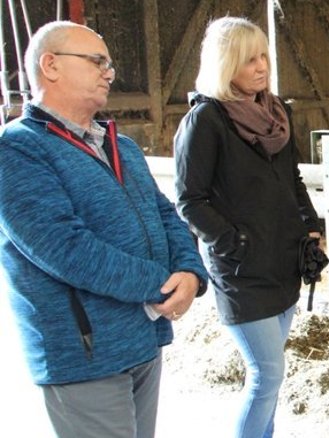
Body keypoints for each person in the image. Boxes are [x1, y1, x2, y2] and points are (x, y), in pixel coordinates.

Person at [0, 21, 207, 438]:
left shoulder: (122, 146)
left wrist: (190, 271)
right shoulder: (19, 149)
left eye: (108, 64)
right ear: (51, 65)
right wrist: (161, 283)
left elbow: (165, 214)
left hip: (142, 336)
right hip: (85, 351)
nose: (109, 73)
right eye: (97, 61)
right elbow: (66, 249)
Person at [173, 17, 323, 438]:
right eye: (248, 59)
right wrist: (233, 241)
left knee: (271, 377)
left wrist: (310, 227)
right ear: (224, 65)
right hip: (241, 271)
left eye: (264, 56)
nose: (262, 67)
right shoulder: (206, 120)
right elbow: (190, 200)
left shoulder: (277, 114)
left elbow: (291, 180)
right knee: (266, 376)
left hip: (284, 261)